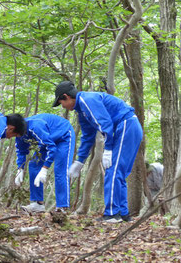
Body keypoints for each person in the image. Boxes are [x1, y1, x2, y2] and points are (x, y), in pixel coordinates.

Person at [53, 81, 143, 223]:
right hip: (127, 127)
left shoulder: (87, 99)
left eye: (61, 102)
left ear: (66, 96)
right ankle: (122, 213)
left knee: (113, 170)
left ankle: (112, 214)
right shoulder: (81, 111)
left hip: (126, 125)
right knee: (118, 172)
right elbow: (88, 136)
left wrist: (107, 149)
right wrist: (79, 161)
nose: (63, 106)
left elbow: (105, 123)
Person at [14, 113, 76, 213]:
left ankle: (62, 207)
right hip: (46, 139)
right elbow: (21, 151)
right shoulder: (18, 133)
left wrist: (44, 169)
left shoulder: (35, 126)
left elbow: (51, 148)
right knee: (34, 164)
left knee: (60, 170)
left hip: (63, 135)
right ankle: (38, 204)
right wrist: (20, 169)